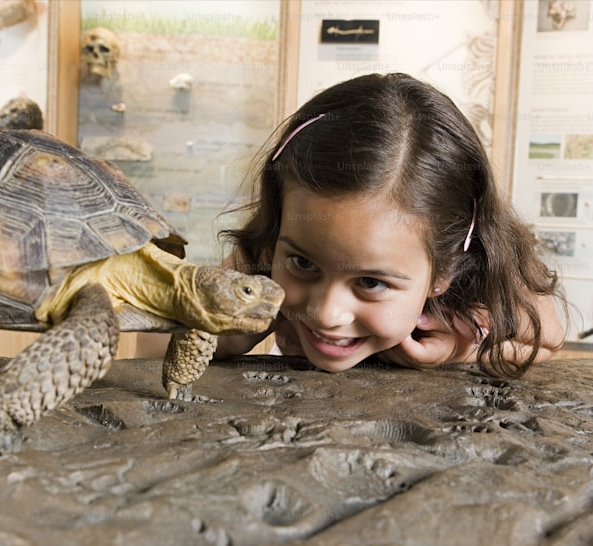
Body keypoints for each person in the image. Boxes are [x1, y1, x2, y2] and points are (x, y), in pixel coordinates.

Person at [215, 72, 565, 378]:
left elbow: (547, 338)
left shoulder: (482, 266)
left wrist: (459, 351)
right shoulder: (259, 261)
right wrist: (216, 335)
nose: (327, 313)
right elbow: (159, 338)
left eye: (370, 282)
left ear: (443, 272)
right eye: (303, 263)